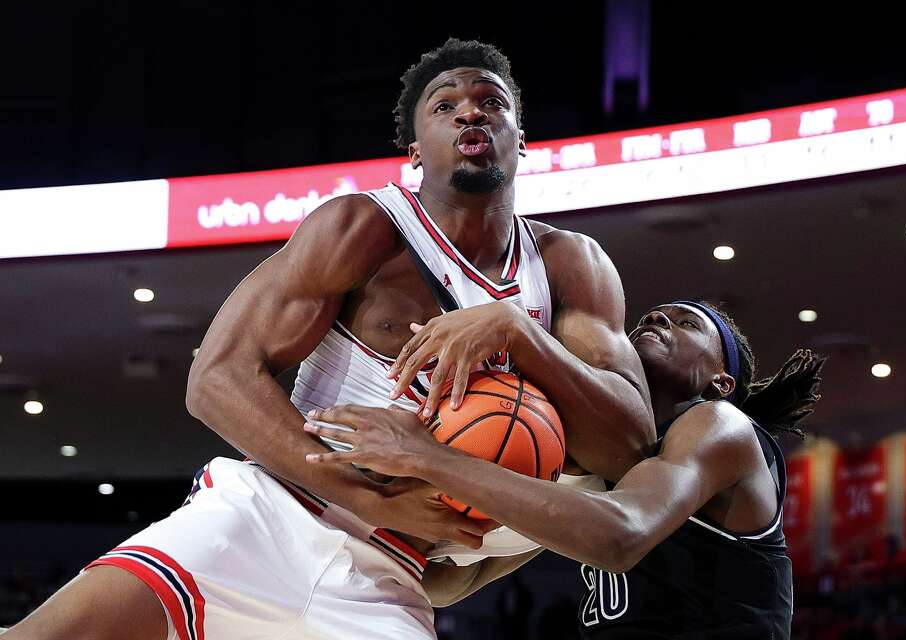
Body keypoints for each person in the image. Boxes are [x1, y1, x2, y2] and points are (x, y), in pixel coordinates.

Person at [5, 39, 654, 640]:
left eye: (492, 103)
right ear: (415, 148)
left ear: (521, 137)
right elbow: (217, 380)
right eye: (445, 105)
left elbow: (630, 448)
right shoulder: (362, 226)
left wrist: (518, 332)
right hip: (267, 515)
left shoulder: (570, 267)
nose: (469, 115)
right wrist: (374, 499)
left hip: (392, 574)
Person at [303, 301, 826, 638]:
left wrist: (431, 457)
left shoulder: (720, 426)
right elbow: (451, 586)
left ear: (720, 381)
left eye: (685, 323)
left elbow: (620, 536)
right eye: (650, 317)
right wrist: (389, 518)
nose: (656, 321)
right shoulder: (600, 475)